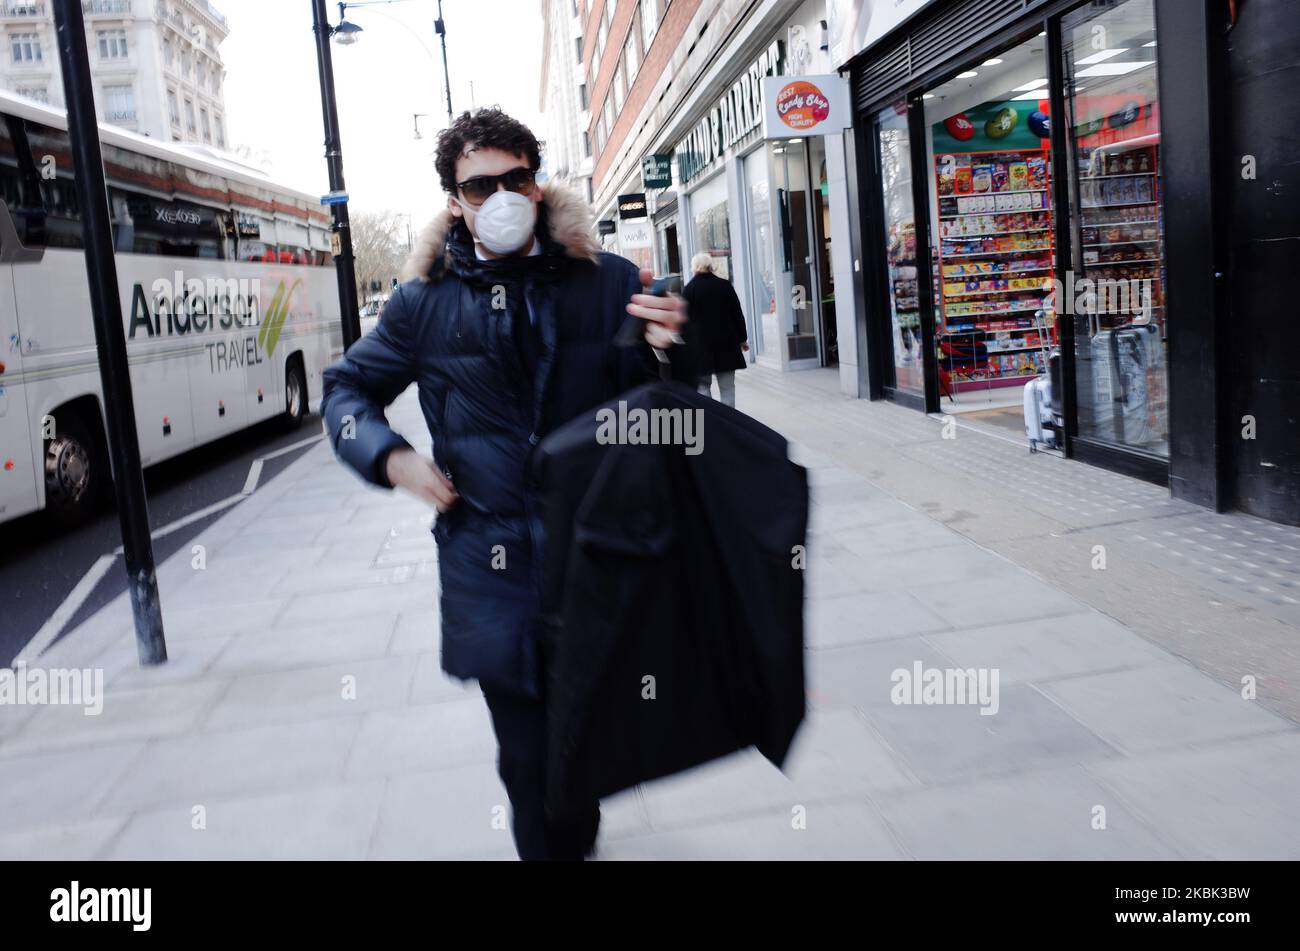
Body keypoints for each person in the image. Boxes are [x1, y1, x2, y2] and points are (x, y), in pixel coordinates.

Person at [319, 108, 685, 860]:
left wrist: (664, 347)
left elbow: (641, 406)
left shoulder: (605, 280)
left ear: (539, 184)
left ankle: (573, 832)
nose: (501, 195)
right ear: (454, 199)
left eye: (516, 177)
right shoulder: (422, 303)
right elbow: (345, 392)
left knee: (582, 747)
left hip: (593, 553)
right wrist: (392, 458)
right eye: (479, 185)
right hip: (490, 559)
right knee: (526, 759)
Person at [682, 253, 748, 407]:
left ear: (694, 268)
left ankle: (712, 422)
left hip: (700, 348)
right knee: (728, 389)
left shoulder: (689, 289)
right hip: (726, 346)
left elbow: (683, 321)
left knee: (703, 387)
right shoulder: (724, 285)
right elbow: (737, 314)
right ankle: (729, 422)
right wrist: (742, 339)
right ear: (711, 266)